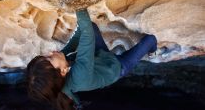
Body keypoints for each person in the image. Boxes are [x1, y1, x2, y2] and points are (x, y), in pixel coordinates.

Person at [27, 9, 157, 110]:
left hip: (100, 56)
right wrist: (78, 4)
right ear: (63, 72)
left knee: (91, 26)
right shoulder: (80, 75)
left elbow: (83, 33)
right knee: (150, 40)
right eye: (50, 58)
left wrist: (76, 104)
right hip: (117, 68)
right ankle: (153, 51)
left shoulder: (60, 76)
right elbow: (87, 35)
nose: (51, 52)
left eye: (46, 55)